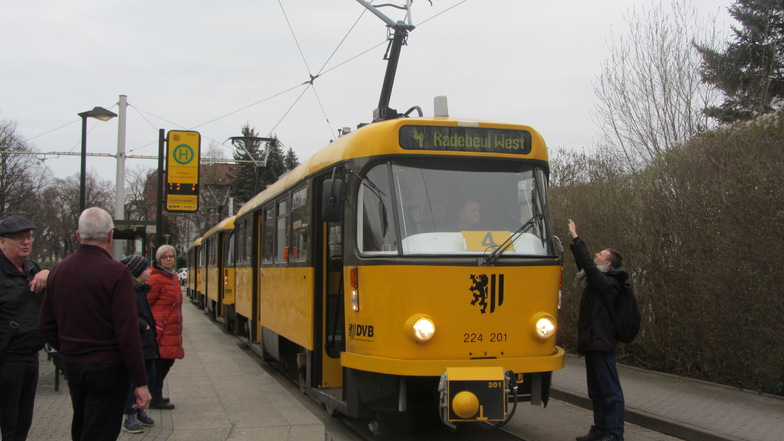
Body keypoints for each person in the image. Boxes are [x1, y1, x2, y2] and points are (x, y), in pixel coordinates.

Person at [39, 207, 151, 441]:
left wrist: (68, 349)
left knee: (81, 423)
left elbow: (46, 324)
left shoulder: (59, 270)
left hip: (74, 363)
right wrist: (140, 381)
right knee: (101, 429)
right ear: (111, 236)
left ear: (78, 235)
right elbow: (127, 334)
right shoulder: (117, 273)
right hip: (108, 367)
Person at [568, 219, 627, 441]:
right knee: (597, 391)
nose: (596, 255)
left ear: (608, 264)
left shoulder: (609, 282)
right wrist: (575, 247)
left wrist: (575, 237)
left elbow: (589, 268)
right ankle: (601, 429)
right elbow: (585, 267)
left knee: (610, 391)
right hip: (593, 342)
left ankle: (614, 433)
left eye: (600, 254)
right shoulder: (597, 279)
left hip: (602, 343)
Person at [0, 215, 49, 441]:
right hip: (8, 359)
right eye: (19, 238)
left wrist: (48, 273)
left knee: (23, 420)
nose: (26, 242)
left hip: (31, 357)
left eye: (28, 237)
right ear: (2, 242)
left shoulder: (32, 268)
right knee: (9, 423)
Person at [119, 255, 158, 434]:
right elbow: (127, 316)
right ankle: (130, 416)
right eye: (146, 269)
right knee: (134, 383)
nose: (150, 271)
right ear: (136, 272)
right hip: (140, 344)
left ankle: (140, 410)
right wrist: (143, 325)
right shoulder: (129, 292)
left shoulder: (141, 289)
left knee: (148, 377)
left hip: (148, 344)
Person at [146, 244, 184, 410]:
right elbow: (145, 303)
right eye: (165, 257)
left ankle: (155, 394)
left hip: (171, 328)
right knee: (160, 363)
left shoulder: (173, 277)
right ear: (158, 259)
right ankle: (155, 397)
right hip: (160, 329)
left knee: (167, 361)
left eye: (171, 256)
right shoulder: (155, 278)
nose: (169, 259)